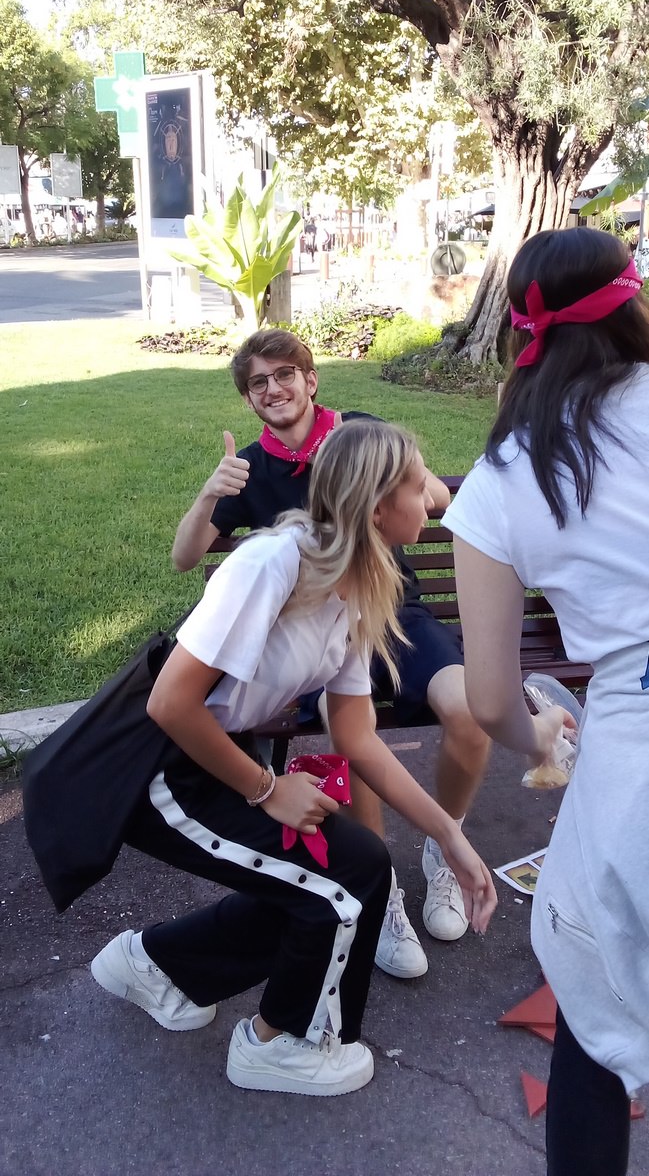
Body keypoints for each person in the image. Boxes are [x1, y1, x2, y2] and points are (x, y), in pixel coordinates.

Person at [91, 420, 497, 1097]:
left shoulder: (359, 586)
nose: (430, 495)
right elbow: (169, 703)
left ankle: (156, 966)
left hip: (208, 752)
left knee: (347, 863)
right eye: (416, 481)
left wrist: (448, 835)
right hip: (152, 767)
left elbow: (357, 737)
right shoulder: (273, 564)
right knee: (344, 878)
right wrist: (265, 789)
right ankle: (280, 1045)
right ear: (377, 508)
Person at [172, 328, 491, 976]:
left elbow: (435, 496)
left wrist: (446, 833)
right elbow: (182, 576)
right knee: (309, 873)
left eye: (284, 374)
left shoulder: (360, 436)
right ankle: (378, 888)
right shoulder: (266, 524)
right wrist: (265, 788)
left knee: (458, 710)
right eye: (258, 382)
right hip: (186, 742)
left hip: (388, 611)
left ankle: (422, 858)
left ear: (310, 378)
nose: (273, 389)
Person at [443, 227, 648, 1176]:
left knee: (594, 1009)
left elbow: (489, 699)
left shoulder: (500, 478)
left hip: (631, 745)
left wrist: (542, 740)